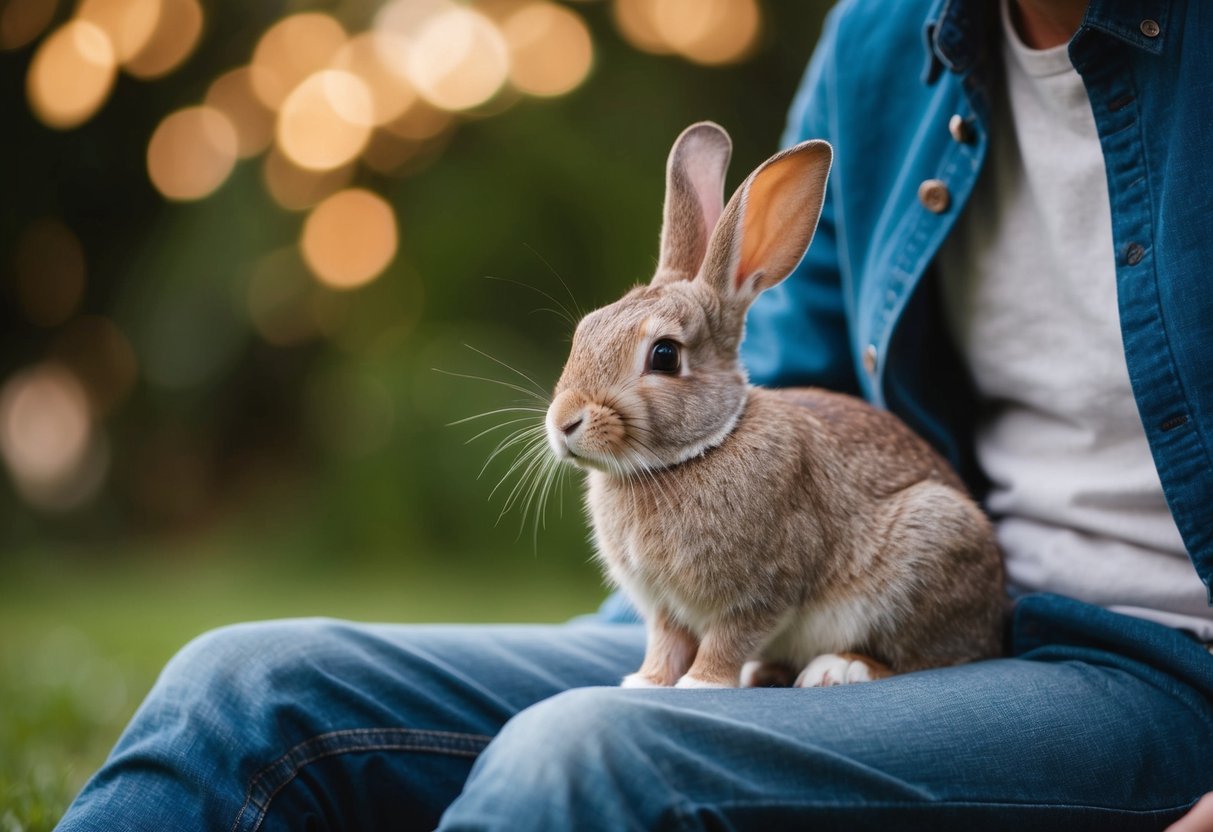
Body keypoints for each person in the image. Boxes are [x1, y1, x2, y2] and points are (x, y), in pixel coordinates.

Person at [56, 0, 1213, 829]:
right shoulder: (882, 39)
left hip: (1148, 671)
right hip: (776, 639)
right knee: (246, 686)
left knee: (586, 755)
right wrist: (668, 617)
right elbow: (776, 378)